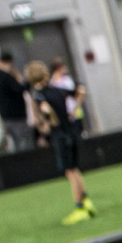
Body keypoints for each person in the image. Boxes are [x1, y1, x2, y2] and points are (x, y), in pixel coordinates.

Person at [25, 60, 95, 225]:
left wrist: (47, 123)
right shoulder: (58, 90)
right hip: (71, 132)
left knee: (69, 172)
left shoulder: (39, 94)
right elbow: (81, 91)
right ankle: (86, 202)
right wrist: (74, 110)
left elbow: (45, 110)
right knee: (75, 169)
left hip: (60, 136)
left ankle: (79, 208)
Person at [0, 53, 32, 154]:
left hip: (5, 116)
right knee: (23, 143)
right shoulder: (5, 77)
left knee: (16, 143)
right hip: (16, 115)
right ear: (8, 62)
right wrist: (28, 82)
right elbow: (19, 89)